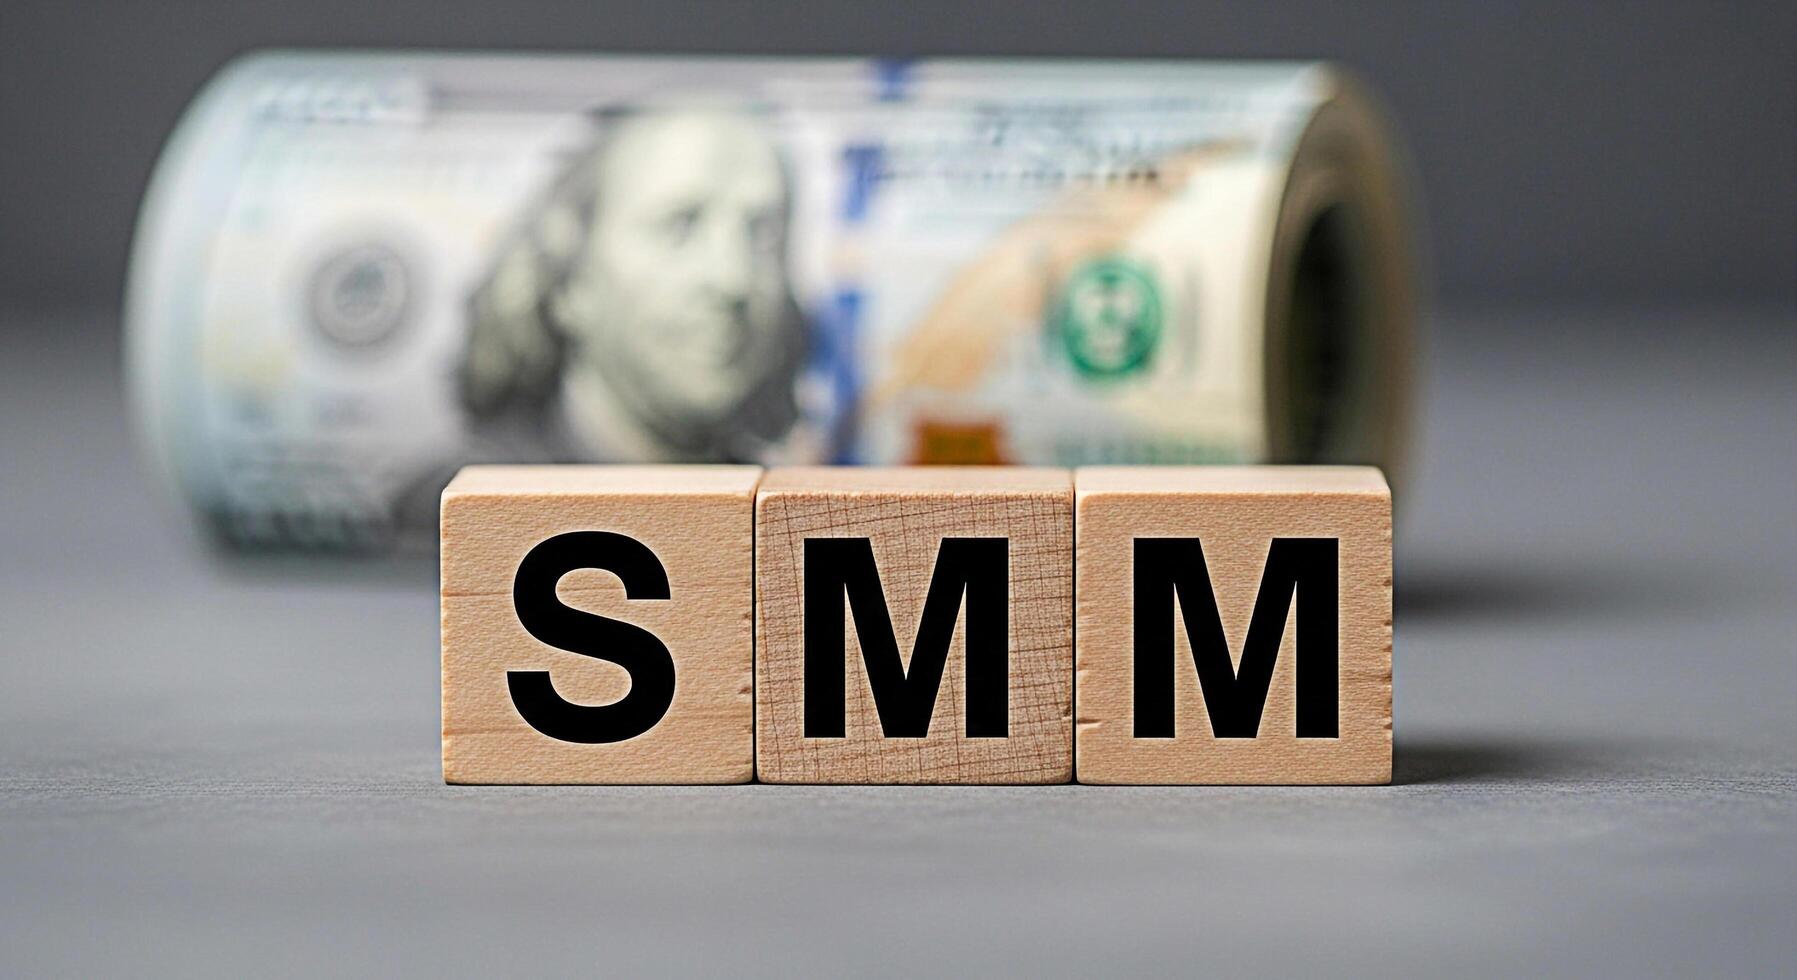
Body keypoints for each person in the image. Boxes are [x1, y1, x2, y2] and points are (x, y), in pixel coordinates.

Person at [459, 106, 808, 462]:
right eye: (680, 226)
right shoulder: (458, 506)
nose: (733, 279)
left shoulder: (774, 502)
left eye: (763, 234)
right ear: (571, 278)